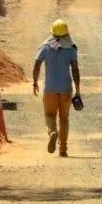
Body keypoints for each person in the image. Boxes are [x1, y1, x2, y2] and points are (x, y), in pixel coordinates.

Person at [32, 19, 81, 157]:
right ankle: (63, 149)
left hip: (50, 90)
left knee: (49, 116)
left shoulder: (46, 47)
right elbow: (75, 70)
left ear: (52, 33)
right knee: (64, 118)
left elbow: (37, 65)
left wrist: (35, 83)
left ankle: (52, 132)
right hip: (66, 89)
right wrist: (77, 90)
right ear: (66, 33)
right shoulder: (71, 49)